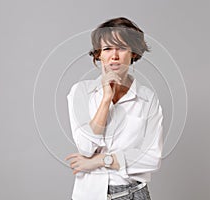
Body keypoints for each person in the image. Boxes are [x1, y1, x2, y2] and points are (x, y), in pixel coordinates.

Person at [66, 17, 163, 200]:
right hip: (90, 195)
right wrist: (105, 100)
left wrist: (101, 160)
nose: (114, 55)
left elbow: (152, 158)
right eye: (107, 49)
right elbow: (86, 148)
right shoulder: (81, 92)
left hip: (135, 193)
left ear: (133, 53)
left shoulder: (147, 98)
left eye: (122, 48)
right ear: (98, 54)